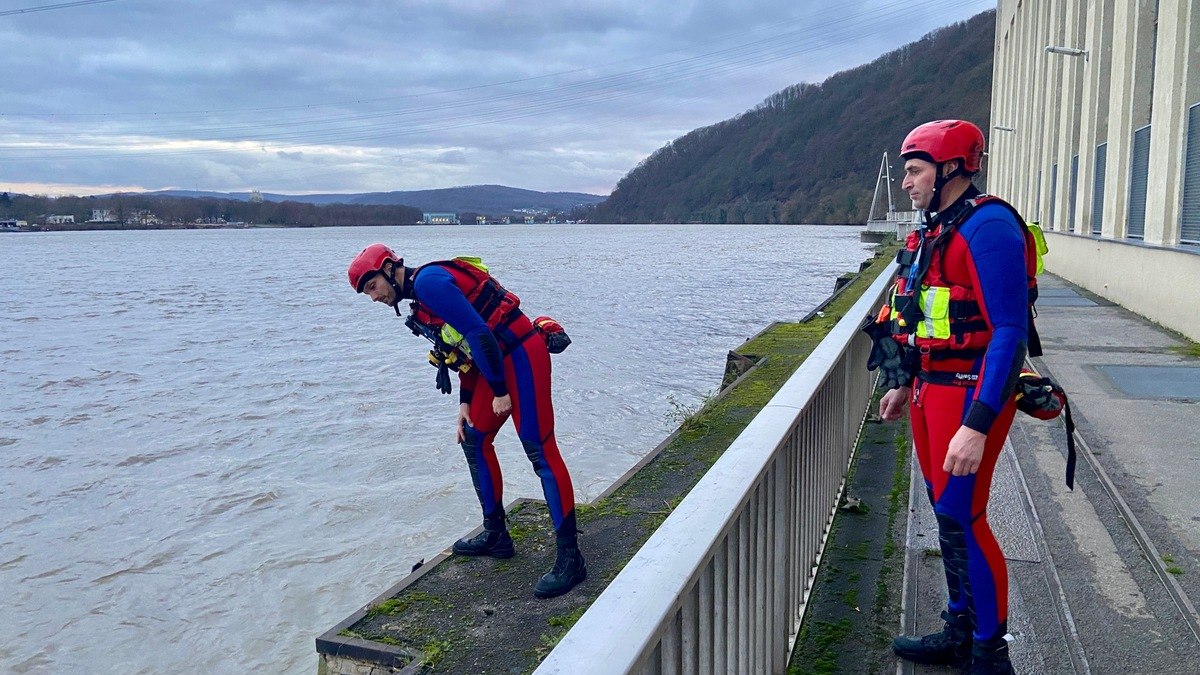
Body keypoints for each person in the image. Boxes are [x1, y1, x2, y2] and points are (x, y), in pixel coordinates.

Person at [871, 120, 1037, 675]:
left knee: (966, 516)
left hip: (969, 396)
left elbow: (1010, 332)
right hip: (929, 390)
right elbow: (919, 314)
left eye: (914, 171)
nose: (906, 183)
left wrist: (978, 422)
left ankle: (992, 655)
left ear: (950, 171)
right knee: (947, 516)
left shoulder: (989, 227)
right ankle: (959, 630)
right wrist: (901, 381)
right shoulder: (936, 228)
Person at [347, 244, 587, 599]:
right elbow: (464, 347)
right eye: (367, 292)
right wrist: (464, 402)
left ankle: (571, 558)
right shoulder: (421, 300)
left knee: (539, 449)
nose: (373, 297)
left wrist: (500, 390)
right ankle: (496, 534)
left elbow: (480, 335)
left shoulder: (429, 283)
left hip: (522, 356)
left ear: (388, 270)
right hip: (494, 368)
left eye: (372, 287)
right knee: (473, 437)